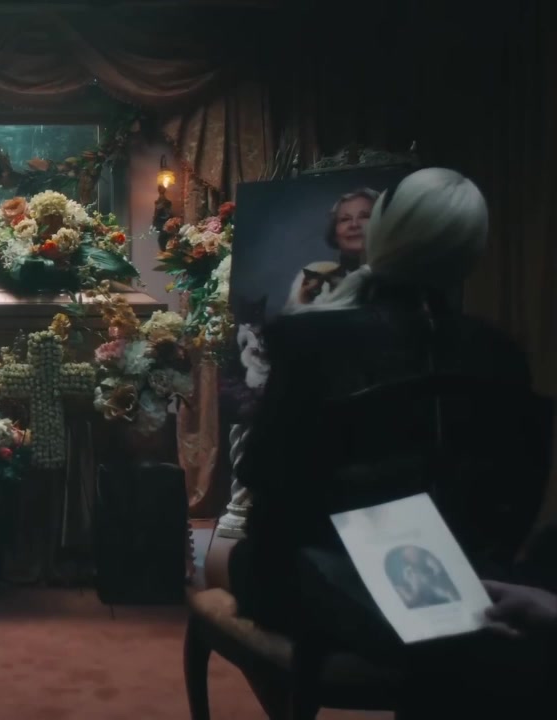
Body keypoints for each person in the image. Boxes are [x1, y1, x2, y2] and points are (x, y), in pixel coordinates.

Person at [229, 167, 547, 711]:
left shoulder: (308, 336)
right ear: (473, 250)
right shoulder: (501, 353)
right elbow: (517, 495)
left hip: (333, 577)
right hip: (466, 580)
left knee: (232, 561)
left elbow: (261, 472)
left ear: (384, 233)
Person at [284, 187, 379, 310]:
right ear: (334, 233)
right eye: (345, 219)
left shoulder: (398, 277)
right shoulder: (314, 274)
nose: (354, 225)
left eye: (365, 216)